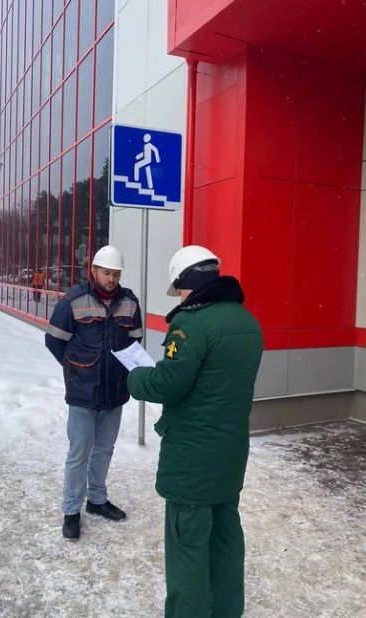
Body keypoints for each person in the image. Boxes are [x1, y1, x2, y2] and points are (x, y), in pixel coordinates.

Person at [127, 245, 263, 618]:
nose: (181, 297)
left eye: (180, 289)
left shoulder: (191, 324)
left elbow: (169, 384)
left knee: (188, 546)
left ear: (186, 282)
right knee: (225, 539)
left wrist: (137, 377)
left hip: (192, 458)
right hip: (230, 454)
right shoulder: (247, 322)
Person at [45, 245, 143, 541]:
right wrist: (76, 368)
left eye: (116, 273)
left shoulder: (129, 303)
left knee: (105, 449)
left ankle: (97, 500)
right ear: (94, 271)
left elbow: (135, 343)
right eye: (106, 273)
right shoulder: (74, 300)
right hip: (83, 392)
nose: (111, 278)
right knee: (79, 453)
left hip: (114, 391)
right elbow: (54, 341)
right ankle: (71, 510)